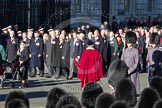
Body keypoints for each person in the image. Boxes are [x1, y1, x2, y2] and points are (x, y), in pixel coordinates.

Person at [121, 31, 140, 96]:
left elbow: (136, 63)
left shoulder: (136, 51)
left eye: (129, 42)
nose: (128, 43)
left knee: (133, 85)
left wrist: (130, 70)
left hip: (133, 72)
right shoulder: (125, 50)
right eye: (127, 42)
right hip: (125, 72)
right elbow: (122, 60)